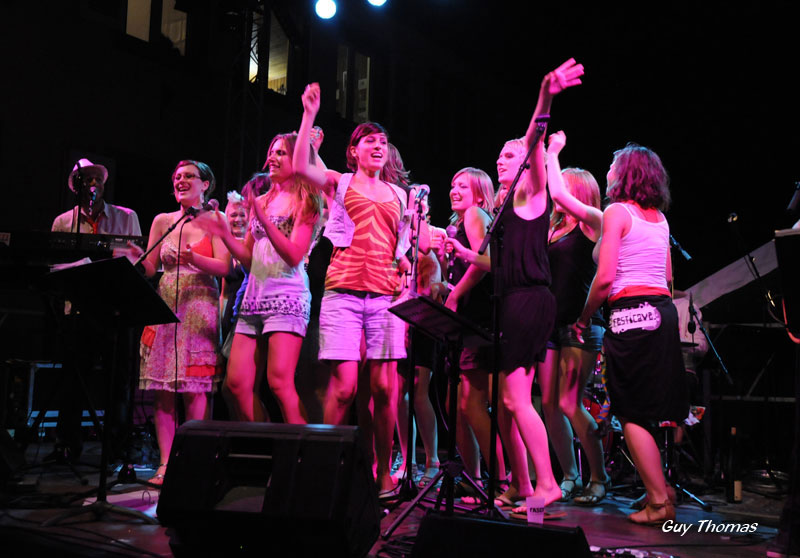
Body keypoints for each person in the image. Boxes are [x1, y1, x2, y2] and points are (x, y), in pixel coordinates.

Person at [446, 59, 584, 508]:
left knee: (515, 398)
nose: (500, 161)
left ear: (526, 164)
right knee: (511, 400)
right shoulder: (508, 207)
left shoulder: (533, 194)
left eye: (509, 156)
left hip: (528, 301)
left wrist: (546, 93)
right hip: (517, 301)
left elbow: (533, 139)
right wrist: (465, 254)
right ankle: (531, 484)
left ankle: (547, 483)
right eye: (500, 156)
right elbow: (497, 264)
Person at [293, 82, 416, 496]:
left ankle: (382, 473)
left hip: (385, 297)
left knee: (384, 388)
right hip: (343, 294)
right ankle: (325, 468)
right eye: (369, 141)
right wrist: (308, 115)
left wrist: (407, 268)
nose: (378, 146)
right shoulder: (340, 182)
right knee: (344, 387)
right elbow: (301, 166)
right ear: (354, 151)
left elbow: (403, 247)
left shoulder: (400, 194)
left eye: (383, 142)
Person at [570, 143, 689, 525]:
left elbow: (605, 278)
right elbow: (668, 277)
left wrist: (583, 318)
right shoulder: (659, 218)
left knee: (630, 410)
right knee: (650, 409)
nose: (607, 169)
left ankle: (658, 502)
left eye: (612, 164)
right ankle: (662, 490)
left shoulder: (616, 212)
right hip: (662, 313)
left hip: (630, 313)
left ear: (625, 173)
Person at [197, 133, 322, 426]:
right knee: (236, 384)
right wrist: (225, 234)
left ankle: (303, 450)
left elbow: (294, 255)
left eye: (282, 153)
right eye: (272, 151)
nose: (273, 157)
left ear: (297, 161)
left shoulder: (305, 200)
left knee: (279, 383)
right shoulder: (261, 201)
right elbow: (250, 258)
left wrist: (265, 219)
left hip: (287, 297)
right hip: (254, 298)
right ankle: (265, 445)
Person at [137, 160, 230, 485]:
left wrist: (194, 259)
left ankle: (194, 464)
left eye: (189, 176)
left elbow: (225, 267)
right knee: (163, 391)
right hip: (165, 304)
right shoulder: (163, 221)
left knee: (195, 389)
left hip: (199, 308)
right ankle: (166, 464)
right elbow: (151, 266)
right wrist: (136, 260)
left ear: (206, 184)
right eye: (177, 177)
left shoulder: (216, 219)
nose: (181, 181)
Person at [48, 158, 142, 463]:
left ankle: (116, 446)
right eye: (86, 179)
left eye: (97, 179)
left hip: (116, 310)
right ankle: (67, 444)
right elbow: (56, 268)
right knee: (73, 380)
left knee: (118, 381)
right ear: (76, 187)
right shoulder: (64, 222)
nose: (93, 184)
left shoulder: (127, 217)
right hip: (78, 311)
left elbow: (138, 261)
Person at [540, 131, 611, 505]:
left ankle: (599, 478)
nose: (557, 190)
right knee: (549, 405)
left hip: (581, 326)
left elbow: (557, 194)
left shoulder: (594, 222)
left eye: (565, 185)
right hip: (551, 325)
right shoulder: (554, 228)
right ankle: (570, 476)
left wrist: (552, 153)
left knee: (570, 403)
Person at [437, 167, 509, 500]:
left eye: (463, 186)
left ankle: (499, 479)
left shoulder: (476, 215)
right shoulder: (462, 222)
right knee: (456, 403)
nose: (454, 190)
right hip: (466, 320)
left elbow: (484, 263)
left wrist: (454, 295)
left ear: (480, 194)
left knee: (471, 402)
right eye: (453, 184)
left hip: (477, 322)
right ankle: (473, 476)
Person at [52, 158, 141, 236]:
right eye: (89, 179)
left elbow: (138, 250)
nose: (95, 183)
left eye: (99, 179)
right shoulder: (61, 223)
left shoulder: (127, 217)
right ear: (77, 186)